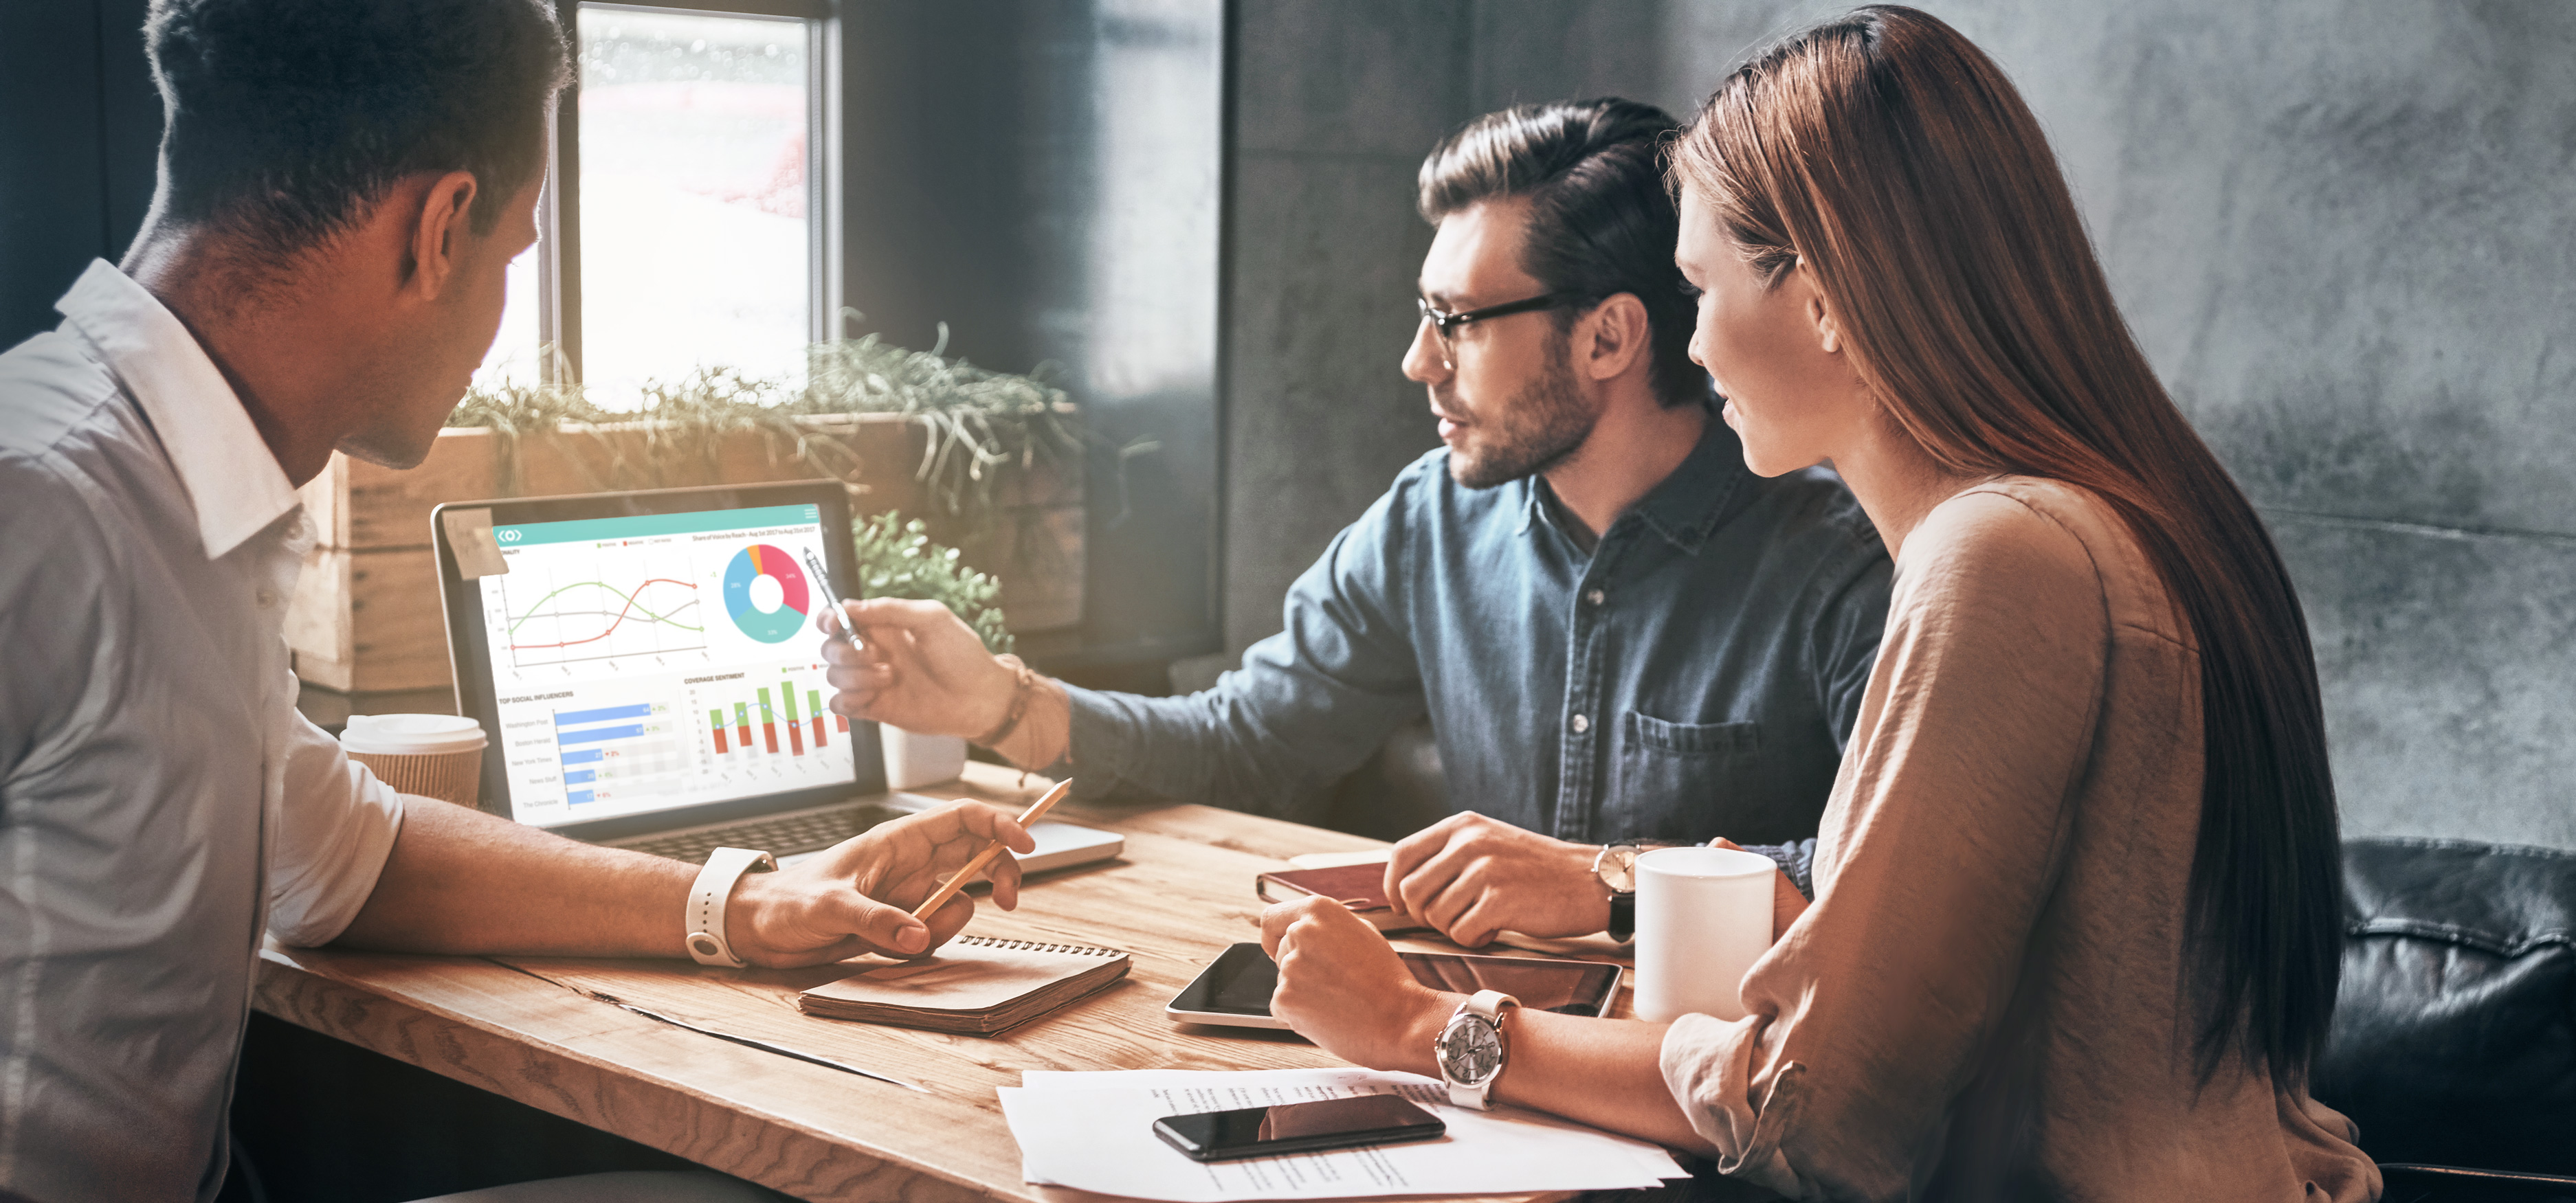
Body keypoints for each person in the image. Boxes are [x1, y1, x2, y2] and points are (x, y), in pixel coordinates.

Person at [1256, 8, 2383, 1201]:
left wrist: (1420, 1027)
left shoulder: (1999, 557)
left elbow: (1813, 1115)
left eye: (1698, 289)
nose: (1686, 350)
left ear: (1828, 293)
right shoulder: (2115, 513)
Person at [0, 3, 1033, 1200]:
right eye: (512, 254)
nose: (501, 318)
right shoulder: (41, 506)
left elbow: (346, 859)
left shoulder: (183, 501)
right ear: (440, 228)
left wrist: (755, 903)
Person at [822, 99, 1892, 947]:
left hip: (1712, 1100)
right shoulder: (1431, 519)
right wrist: (999, 701)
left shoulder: (1843, 566)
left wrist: (1609, 878)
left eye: (1456, 324)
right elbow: (1246, 744)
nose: (1417, 362)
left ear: (1608, 339)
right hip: (1474, 1066)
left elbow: (1884, 881)